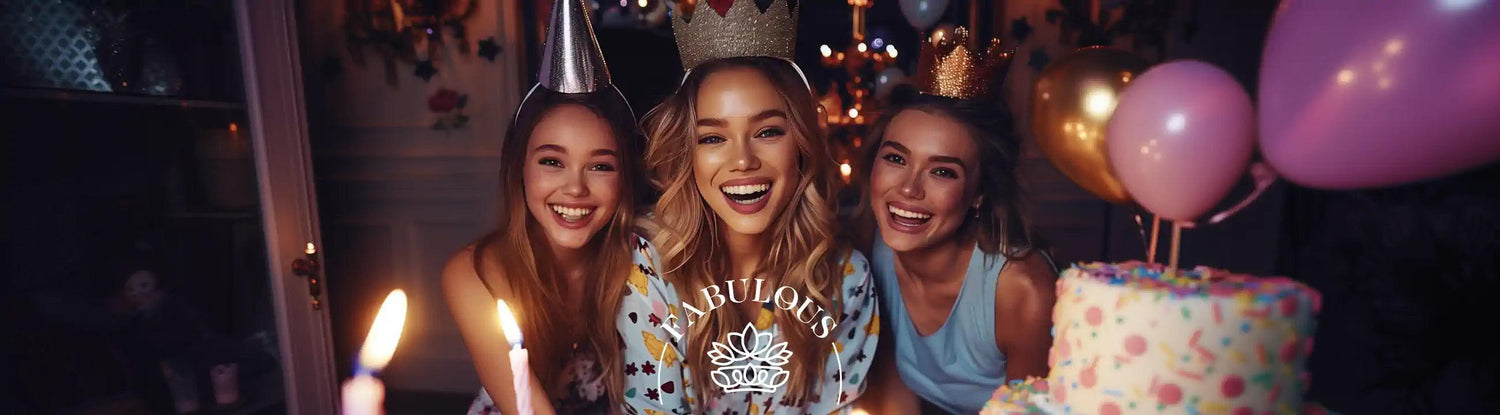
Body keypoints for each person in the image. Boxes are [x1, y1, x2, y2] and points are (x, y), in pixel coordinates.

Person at [616, 1, 878, 413]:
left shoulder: (847, 279)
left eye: (768, 131)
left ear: (802, 147)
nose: (742, 160)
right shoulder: (650, 274)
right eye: (713, 138)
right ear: (688, 154)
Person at [441, 1, 649, 413]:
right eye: (552, 161)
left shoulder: (643, 261)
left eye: (600, 166)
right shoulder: (474, 273)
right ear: (520, 167)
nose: (575, 188)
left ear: (624, 177)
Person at [857, 27, 1058, 414]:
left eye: (943, 172)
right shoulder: (868, 247)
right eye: (896, 159)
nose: (909, 190)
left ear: (979, 192)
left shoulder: (1022, 290)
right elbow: (889, 391)